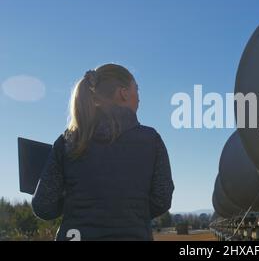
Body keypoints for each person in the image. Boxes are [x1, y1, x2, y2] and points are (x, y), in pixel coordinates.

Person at [31, 63, 174, 241]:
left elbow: (44, 207)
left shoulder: (68, 141)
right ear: (123, 93)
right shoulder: (151, 140)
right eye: (136, 89)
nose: (139, 97)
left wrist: (76, 203)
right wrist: (128, 213)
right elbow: (162, 198)